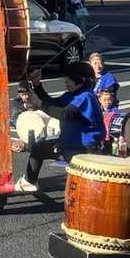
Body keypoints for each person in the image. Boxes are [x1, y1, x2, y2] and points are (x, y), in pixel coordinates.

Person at [16, 60, 106, 194]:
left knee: (84, 190)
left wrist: (39, 103)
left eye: (69, 78)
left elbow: (64, 114)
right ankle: (29, 182)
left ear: (80, 80)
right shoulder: (71, 95)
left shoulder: (86, 96)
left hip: (85, 150)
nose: (65, 81)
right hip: (68, 145)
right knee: (38, 148)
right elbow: (52, 103)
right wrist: (37, 85)